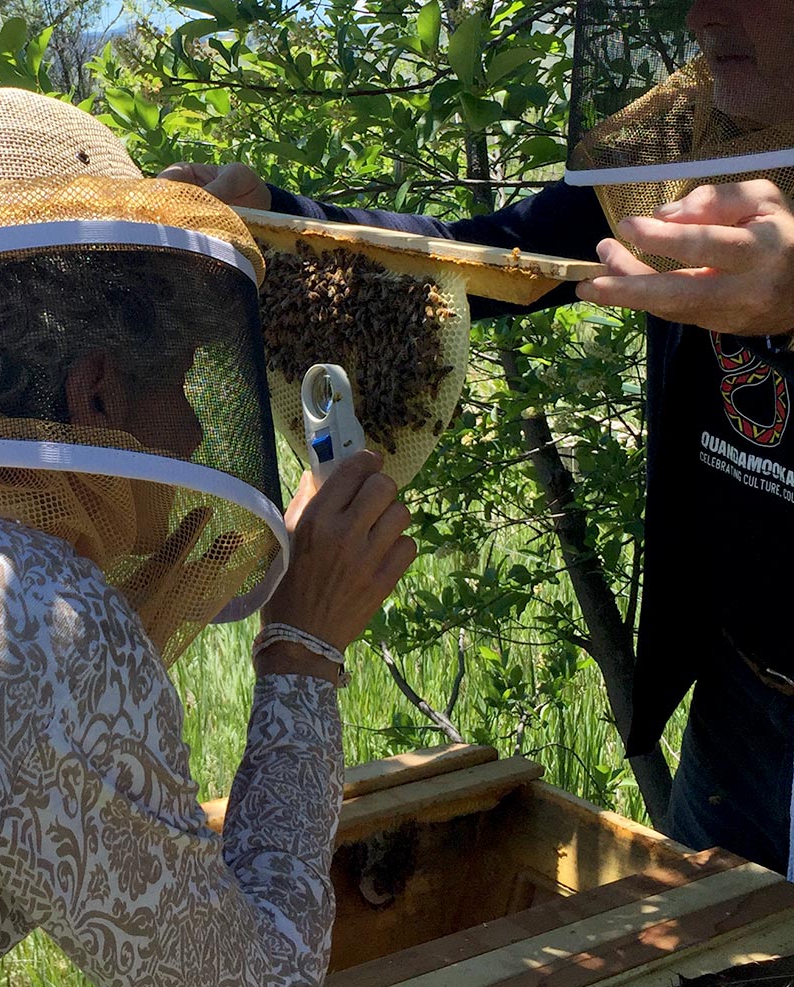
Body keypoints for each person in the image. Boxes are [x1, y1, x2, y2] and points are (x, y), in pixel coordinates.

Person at [0, 89, 416, 987]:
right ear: (99, 395)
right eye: (180, 387)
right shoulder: (33, 621)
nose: (196, 434)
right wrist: (303, 650)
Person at [161, 0, 794, 877]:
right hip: (738, 695)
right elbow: (491, 258)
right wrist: (283, 216)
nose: (700, 13)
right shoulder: (684, 138)